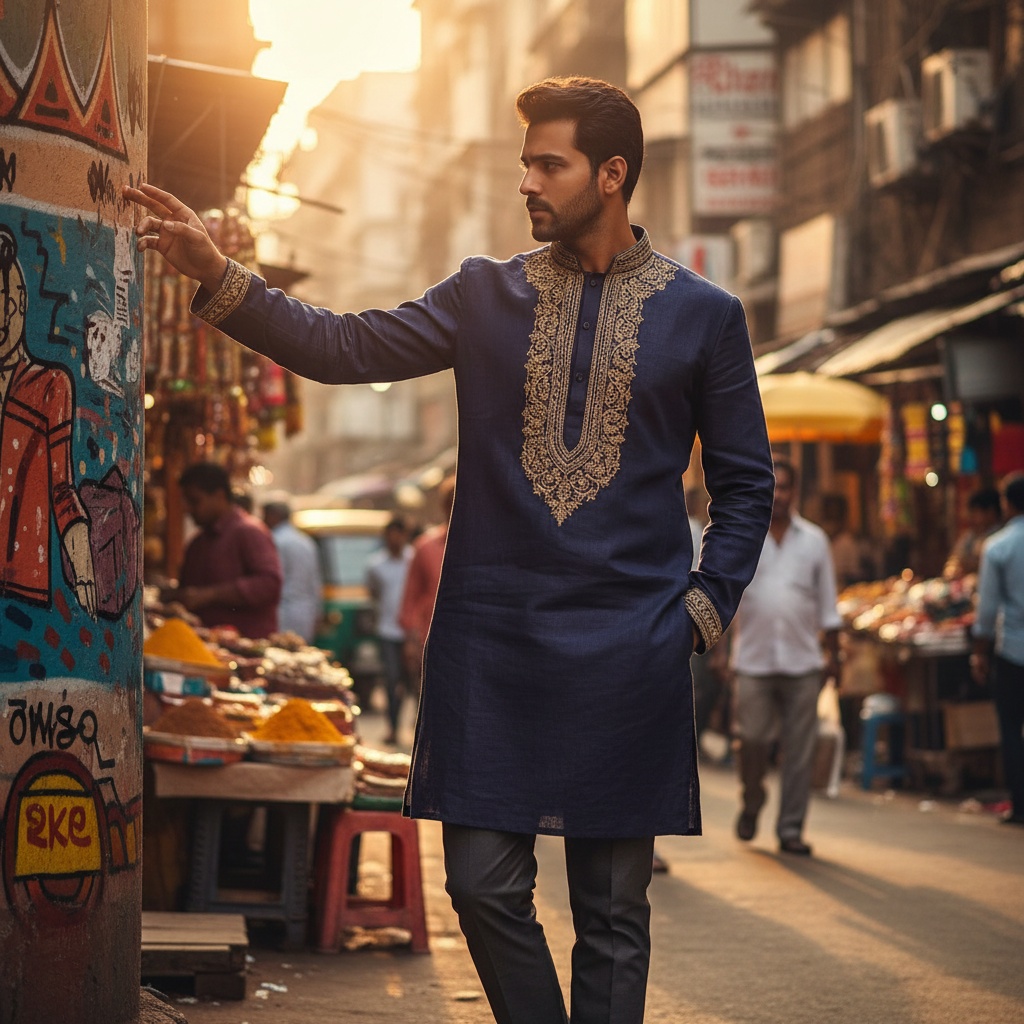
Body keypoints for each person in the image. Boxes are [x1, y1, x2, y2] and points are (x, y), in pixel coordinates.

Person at [126, 76, 774, 1024]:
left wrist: (703, 607)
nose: (528, 183)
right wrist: (219, 276)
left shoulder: (705, 316)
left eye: (548, 164)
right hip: (493, 645)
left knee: (611, 912)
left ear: (614, 173)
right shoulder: (485, 295)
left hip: (629, 649)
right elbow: (343, 347)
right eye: (525, 164)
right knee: (478, 884)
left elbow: (746, 485)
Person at [729, 455, 842, 857]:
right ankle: (753, 799)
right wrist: (717, 651)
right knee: (753, 740)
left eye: (788, 486)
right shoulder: (742, 535)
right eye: (774, 487)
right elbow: (726, 598)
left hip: (803, 662)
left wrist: (834, 657)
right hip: (753, 660)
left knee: (800, 751)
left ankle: (790, 829)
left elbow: (829, 607)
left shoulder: (814, 541)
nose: (780, 495)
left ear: (798, 492)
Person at [0, 223, 96, 614]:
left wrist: (84, 568)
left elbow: (62, 489)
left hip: (23, 595)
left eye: (7, 305)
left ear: (22, 304)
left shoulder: (49, 386)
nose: (2, 321)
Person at [165, 462, 283, 639]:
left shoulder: (249, 531)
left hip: (246, 649)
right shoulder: (198, 542)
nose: (188, 509)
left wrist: (210, 595)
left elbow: (270, 583)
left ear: (219, 496)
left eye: (195, 501)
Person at [970, 474, 1024, 826]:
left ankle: (1020, 805)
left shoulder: (999, 546)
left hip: (1013, 652)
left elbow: (987, 609)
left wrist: (979, 651)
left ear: (1007, 504)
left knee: (1011, 729)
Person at [398, 476, 454, 687]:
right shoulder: (425, 547)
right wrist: (410, 642)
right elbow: (411, 596)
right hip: (430, 642)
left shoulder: (485, 547)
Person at [366, 515, 413, 744]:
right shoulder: (376, 565)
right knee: (392, 679)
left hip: (411, 631)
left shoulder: (414, 559)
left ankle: (410, 725)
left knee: (410, 681)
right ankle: (393, 727)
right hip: (387, 630)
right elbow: (373, 593)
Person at [263, 497, 323, 643]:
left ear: (274, 516)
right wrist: (317, 612)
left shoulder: (275, 540)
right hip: (305, 612)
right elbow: (315, 581)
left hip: (283, 611)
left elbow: (272, 580)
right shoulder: (305, 541)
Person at [944, 486, 1003, 579]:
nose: (971, 517)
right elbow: (955, 558)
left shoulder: (1001, 537)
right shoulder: (971, 536)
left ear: (991, 512)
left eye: (976, 512)